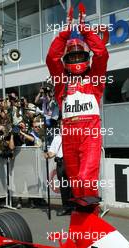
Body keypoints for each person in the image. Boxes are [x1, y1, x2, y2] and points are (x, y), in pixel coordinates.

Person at [46, 12, 109, 212]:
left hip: (90, 133)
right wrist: (63, 35)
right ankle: (82, 219)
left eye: (79, 55)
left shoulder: (95, 80)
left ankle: (92, 210)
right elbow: (51, 58)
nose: (75, 58)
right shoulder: (61, 83)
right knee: (74, 180)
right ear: (66, 60)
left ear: (85, 57)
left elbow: (101, 54)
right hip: (69, 135)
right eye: (71, 56)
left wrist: (85, 31)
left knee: (85, 177)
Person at [44, 124, 72, 216]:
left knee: (72, 186)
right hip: (60, 163)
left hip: (71, 162)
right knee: (63, 187)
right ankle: (66, 208)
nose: (62, 126)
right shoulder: (56, 138)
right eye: (61, 125)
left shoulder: (72, 135)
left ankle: (74, 207)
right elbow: (52, 152)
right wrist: (47, 154)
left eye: (64, 124)